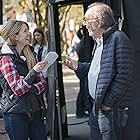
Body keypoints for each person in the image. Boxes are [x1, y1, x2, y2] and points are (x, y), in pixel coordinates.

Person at [61, 2, 135, 140]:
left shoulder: (118, 39)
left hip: (109, 109)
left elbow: (124, 76)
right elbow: (100, 71)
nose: (84, 24)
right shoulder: (100, 41)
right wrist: (77, 66)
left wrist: (107, 103)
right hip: (99, 106)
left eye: (86, 20)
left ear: (99, 22)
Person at [0, 20, 48, 140]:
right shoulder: (6, 58)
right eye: (25, 31)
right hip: (15, 114)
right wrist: (33, 72)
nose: (29, 34)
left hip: (35, 110)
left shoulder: (31, 53)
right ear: (15, 36)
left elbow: (42, 83)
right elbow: (18, 89)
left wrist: (26, 84)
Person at [75, 26, 94, 118]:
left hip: (81, 67)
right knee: (84, 90)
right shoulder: (86, 42)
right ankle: (81, 110)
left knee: (83, 90)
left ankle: (80, 110)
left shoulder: (81, 42)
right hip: (84, 67)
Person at [32, 27, 48, 98]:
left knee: (47, 93)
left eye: (38, 35)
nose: (36, 37)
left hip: (46, 72)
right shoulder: (33, 47)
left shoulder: (47, 46)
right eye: (35, 35)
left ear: (42, 35)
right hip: (37, 72)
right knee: (39, 93)